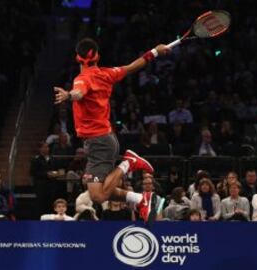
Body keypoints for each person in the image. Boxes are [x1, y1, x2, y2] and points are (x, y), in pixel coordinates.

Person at [54, 38, 170, 223]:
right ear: (97, 57)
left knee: (98, 196)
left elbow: (79, 93)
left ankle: (128, 163)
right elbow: (132, 66)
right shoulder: (108, 74)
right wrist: (154, 51)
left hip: (99, 142)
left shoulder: (82, 79)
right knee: (100, 190)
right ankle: (141, 200)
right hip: (103, 140)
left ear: (78, 58)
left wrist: (68, 95)